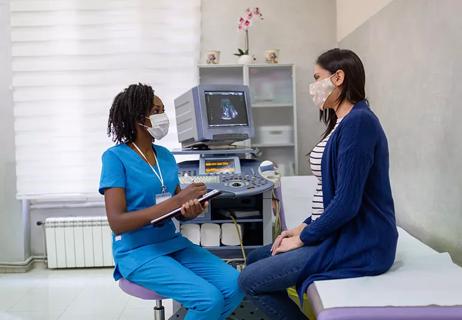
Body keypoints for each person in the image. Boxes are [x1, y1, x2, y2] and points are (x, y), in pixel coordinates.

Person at [238, 48, 398, 320]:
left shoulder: (359, 123)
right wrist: (303, 226)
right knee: (255, 259)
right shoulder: (342, 122)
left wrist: (302, 238)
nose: (312, 87)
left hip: (360, 242)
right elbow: (330, 196)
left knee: (249, 280)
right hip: (336, 233)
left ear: (338, 78)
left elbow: (347, 204)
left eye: (316, 77)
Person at [99, 83, 243, 320]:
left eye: (163, 110)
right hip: (138, 252)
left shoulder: (165, 155)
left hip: (172, 243)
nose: (163, 116)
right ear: (138, 116)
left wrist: (191, 209)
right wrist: (177, 200)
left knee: (236, 284)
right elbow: (117, 222)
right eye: (156, 110)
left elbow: (178, 210)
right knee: (208, 299)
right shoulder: (115, 158)